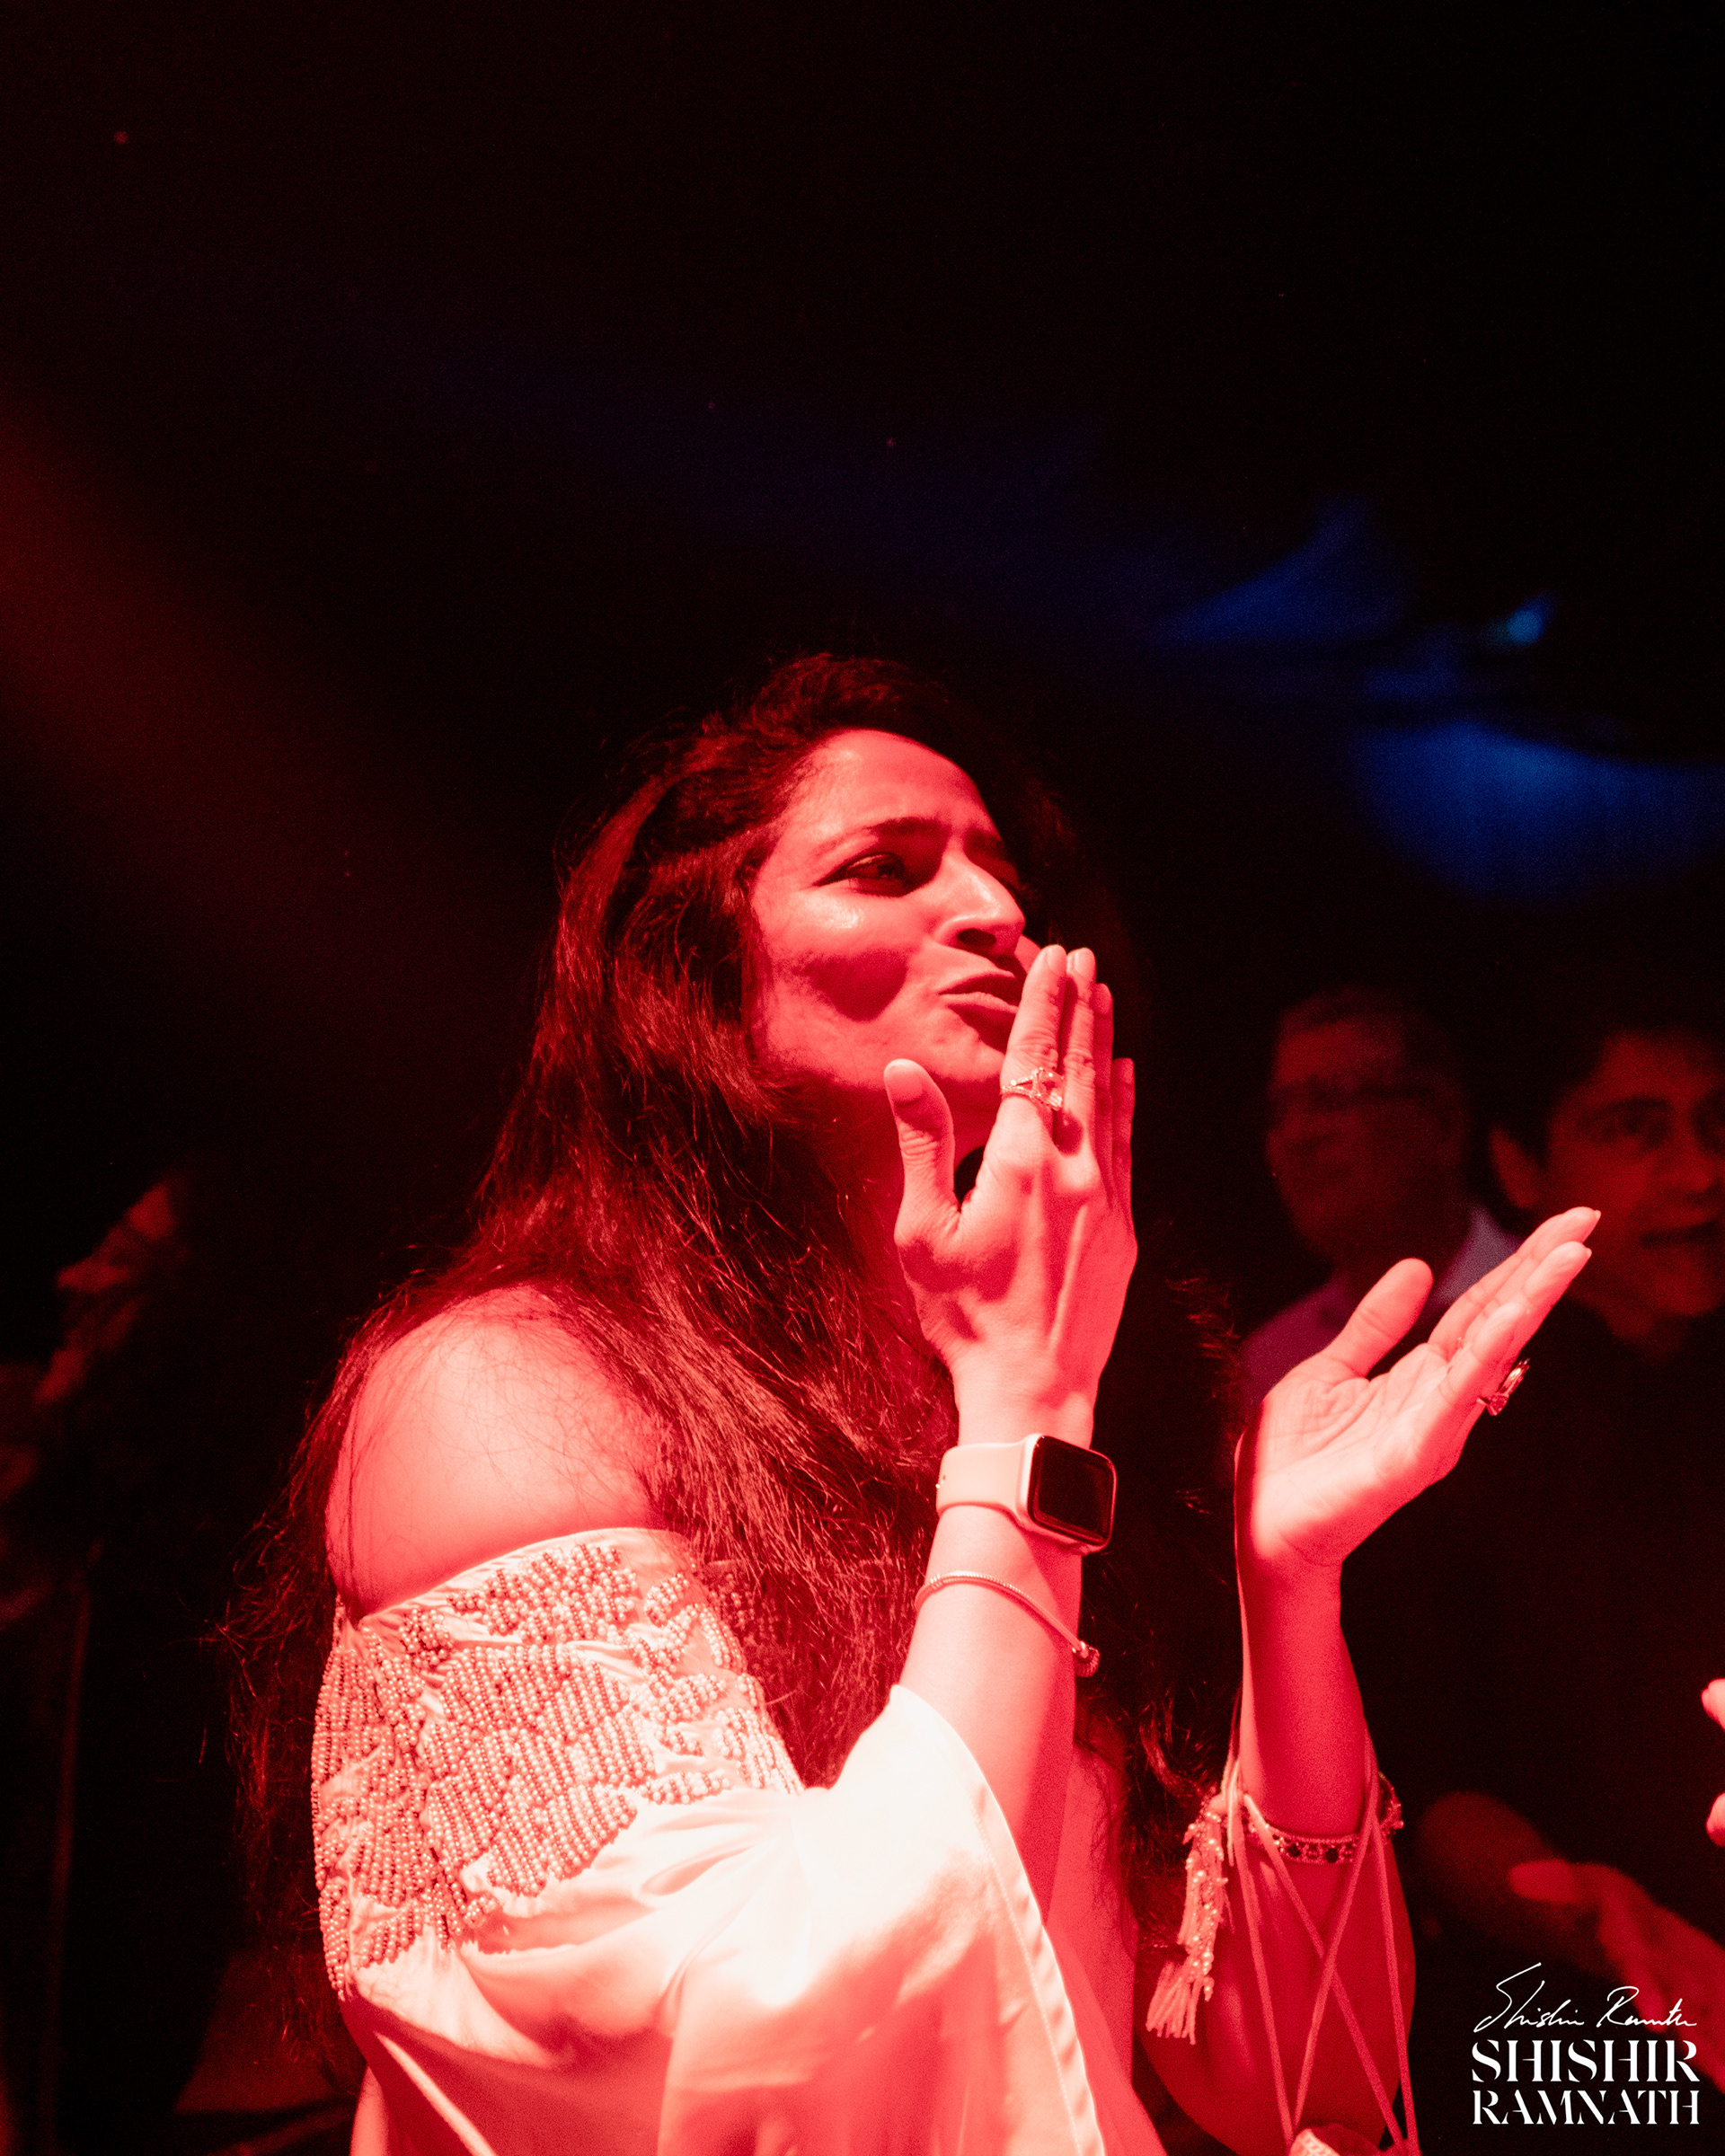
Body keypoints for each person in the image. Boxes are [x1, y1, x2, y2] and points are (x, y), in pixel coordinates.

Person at [243, 658, 1590, 2156]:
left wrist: (1286, 1590)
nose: (996, 918)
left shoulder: (1074, 1411)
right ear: (703, 973)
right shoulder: (506, 1387)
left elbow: (1306, 2082)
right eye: (886, 868)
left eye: (1007, 877)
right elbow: (781, 2065)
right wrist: (1022, 1418)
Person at [1345, 962, 1725, 2123]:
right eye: (1636, 1130)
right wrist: (1607, 1921)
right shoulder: (1446, 1426)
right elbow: (1429, 1772)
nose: (1703, 1172)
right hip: (1558, 2037)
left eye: (1717, 1125)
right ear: (1520, 1166)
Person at [1243, 990, 1517, 1403]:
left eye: (1331, 1098)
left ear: (1443, 1122)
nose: (1297, 1135)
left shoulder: (1548, 1303)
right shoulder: (1273, 1360)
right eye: (1278, 1111)